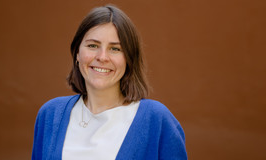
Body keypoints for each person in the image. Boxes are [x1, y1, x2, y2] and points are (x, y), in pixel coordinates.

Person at [32, 4, 187, 160]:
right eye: (93, 46)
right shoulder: (51, 114)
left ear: (129, 59)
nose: (102, 57)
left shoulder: (156, 119)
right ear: (77, 53)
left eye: (115, 49)